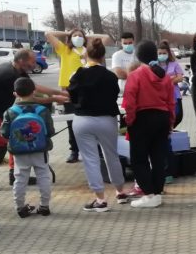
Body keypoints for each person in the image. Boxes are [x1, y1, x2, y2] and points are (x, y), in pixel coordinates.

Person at [68, 39, 129, 211]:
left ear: (86, 54)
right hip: (106, 119)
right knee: (112, 155)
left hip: (83, 120)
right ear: (104, 55)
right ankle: (120, 191)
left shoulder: (77, 74)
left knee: (90, 159)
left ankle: (100, 199)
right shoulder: (110, 76)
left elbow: (71, 96)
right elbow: (114, 94)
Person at [0, 50, 65, 187]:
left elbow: (34, 87)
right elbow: (30, 97)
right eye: (32, 61)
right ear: (22, 61)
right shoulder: (9, 74)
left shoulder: (16, 70)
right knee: (1, 146)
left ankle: (14, 175)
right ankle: (14, 175)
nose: (34, 64)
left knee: (13, 141)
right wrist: (56, 98)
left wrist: (59, 93)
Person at [45, 27, 111, 163]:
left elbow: (105, 38)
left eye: (80, 36)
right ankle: (74, 150)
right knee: (71, 120)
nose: (78, 38)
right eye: (75, 36)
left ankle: (97, 148)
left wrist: (88, 35)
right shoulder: (64, 50)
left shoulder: (89, 50)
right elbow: (48, 34)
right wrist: (68, 33)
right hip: (69, 89)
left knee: (91, 117)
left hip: (88, 89)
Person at [123, 41, 175, 208]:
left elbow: (129, 101)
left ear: (138, 56)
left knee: (139, 159)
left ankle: (149, 194)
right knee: (158, 157)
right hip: (162, 118)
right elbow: (171, 102)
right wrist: (170, 122)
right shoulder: (165, 76)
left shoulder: (135, 75)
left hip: (142, 118)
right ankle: (157, 193)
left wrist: (129, 121)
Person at [3, 77, 54, 217]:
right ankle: (44, 206)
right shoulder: (42, 110)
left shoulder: (10, 112)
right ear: (34, 91)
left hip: (19, 151)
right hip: (40, 150)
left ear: (15, 94)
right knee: (43, 176)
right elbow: (50, 131)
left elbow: (4, 133)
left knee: (20, 178)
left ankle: (20, 208)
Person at [158, 41, 186, 129]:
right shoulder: (154, 65)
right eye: (160, 53)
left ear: (168, 53)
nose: (162, 55)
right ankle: (165, 131)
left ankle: (169, 130)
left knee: (178, 115)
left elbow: (180, 78)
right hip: (160, 96)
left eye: (164, 53)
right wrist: (171, 78)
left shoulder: (174, 64)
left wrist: (164, 80)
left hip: (175, 94)